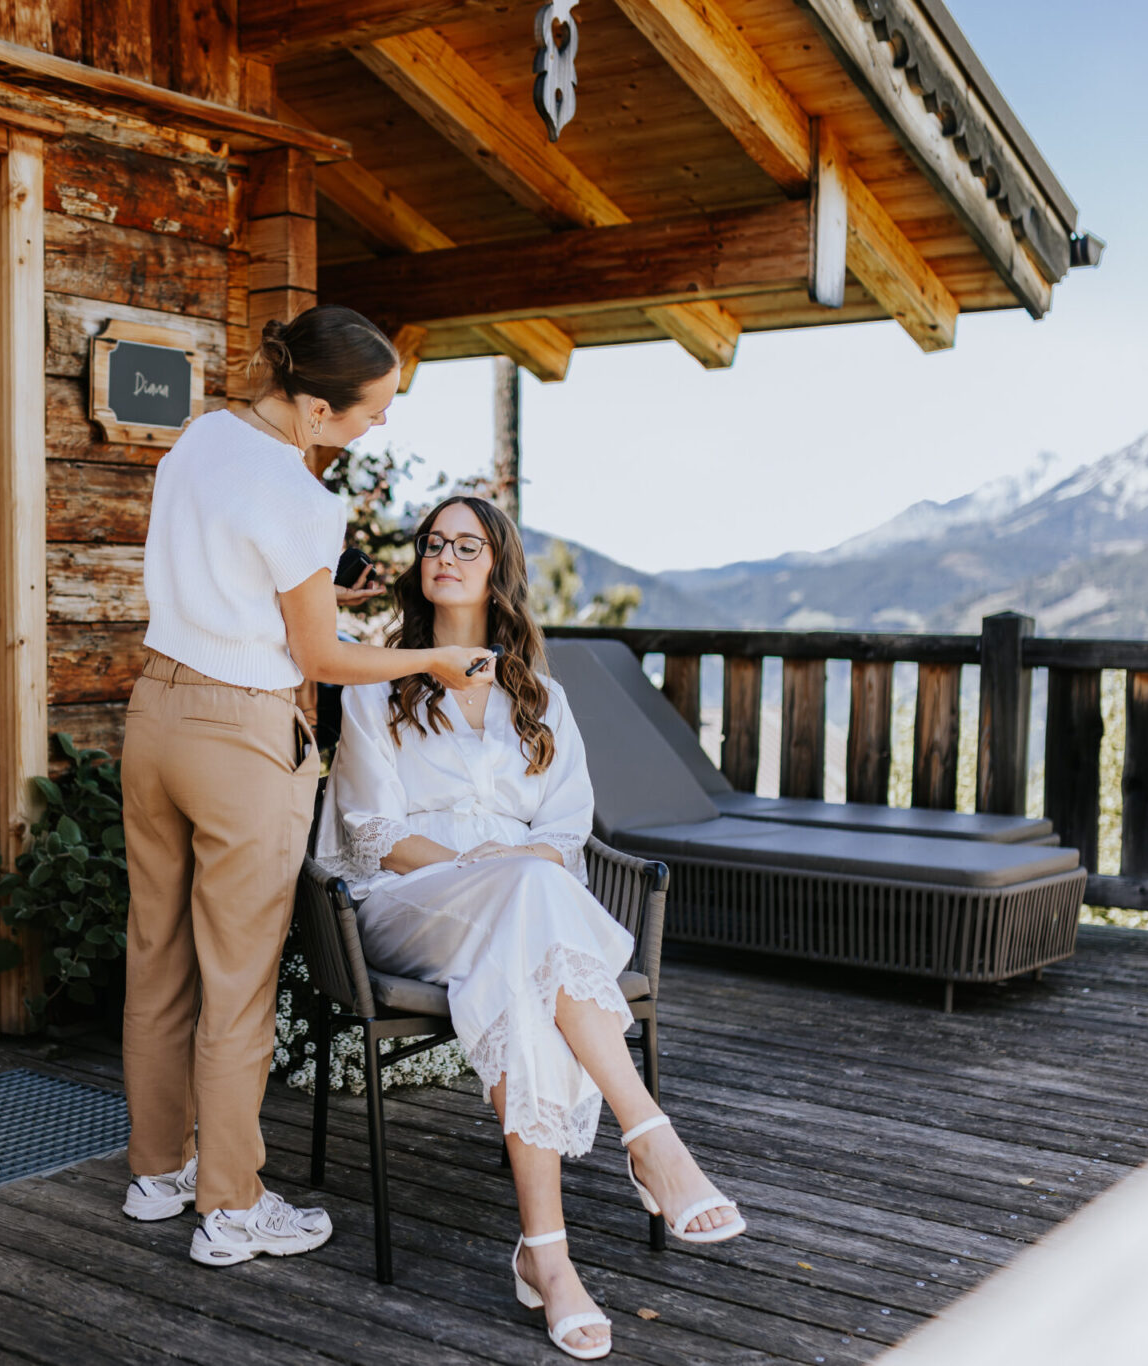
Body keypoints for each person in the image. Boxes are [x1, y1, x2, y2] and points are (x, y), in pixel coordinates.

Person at [316, 496, 743, 1361]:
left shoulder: (538, 697)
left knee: (523, 946)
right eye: (432, 543)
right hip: (413, 906)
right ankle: (648, 1136)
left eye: (465, 544)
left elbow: (566, 829)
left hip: (521, 922)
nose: (444, 555)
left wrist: (516, 874)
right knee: (524, 898)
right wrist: (489, 870)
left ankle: (547, 1258)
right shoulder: (377, 680)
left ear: (496, 565)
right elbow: (373, 833)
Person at [119, 306, 496, 1269]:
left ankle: (159, 1172)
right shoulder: (302, 501)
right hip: (241, 737)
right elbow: (319, 661)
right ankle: (233, 1206)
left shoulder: (202, 436)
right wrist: (434, 663)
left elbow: (238, 580)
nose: (378, 426)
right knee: (237, 983)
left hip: (154, 717)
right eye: (372, 412)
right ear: (320, 408)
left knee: (158, 955)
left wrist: (330, 590)